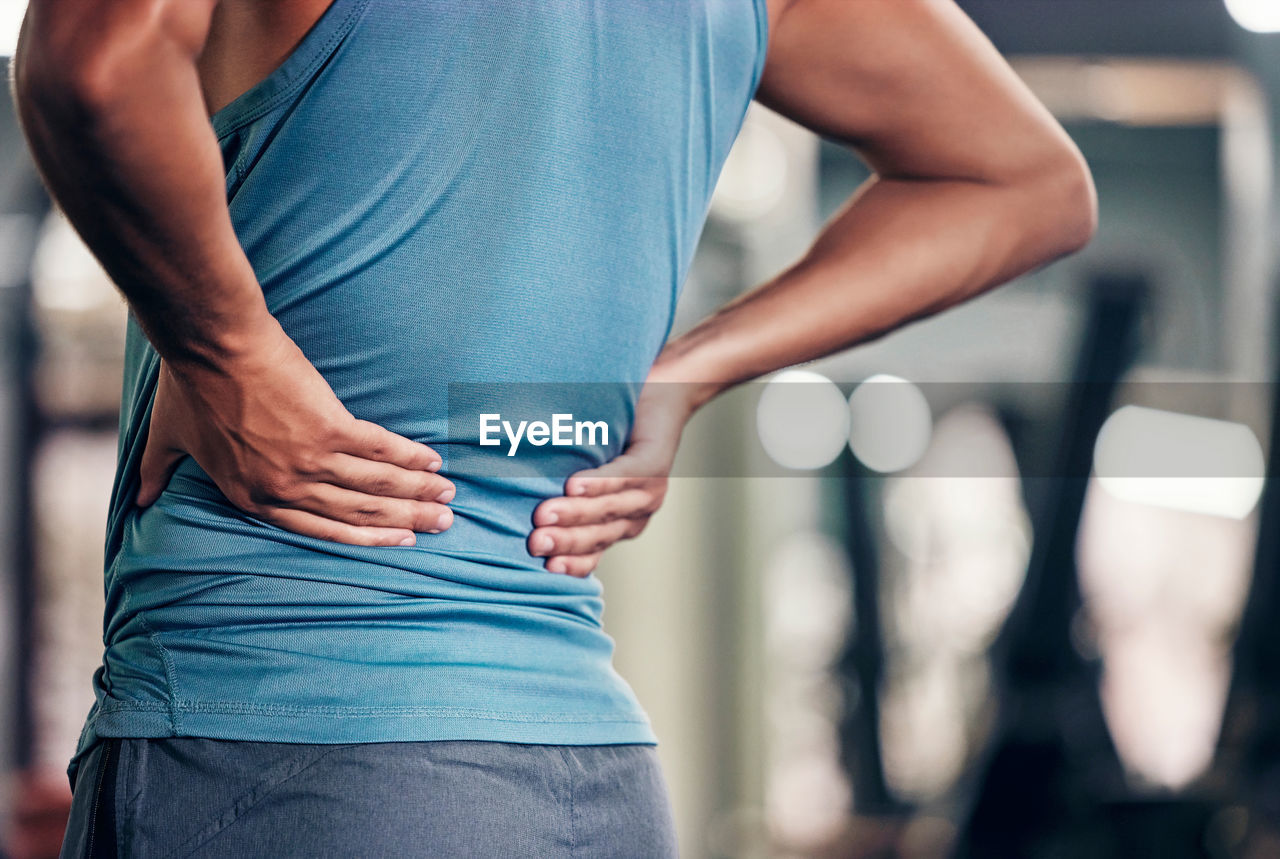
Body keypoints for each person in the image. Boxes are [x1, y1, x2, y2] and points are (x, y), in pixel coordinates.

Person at [12, 0, 1096, 855]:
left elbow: (89, 61)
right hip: (589, 772)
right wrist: (683, 371)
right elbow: (1023, 180)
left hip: (286, 737)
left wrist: (228, 354)